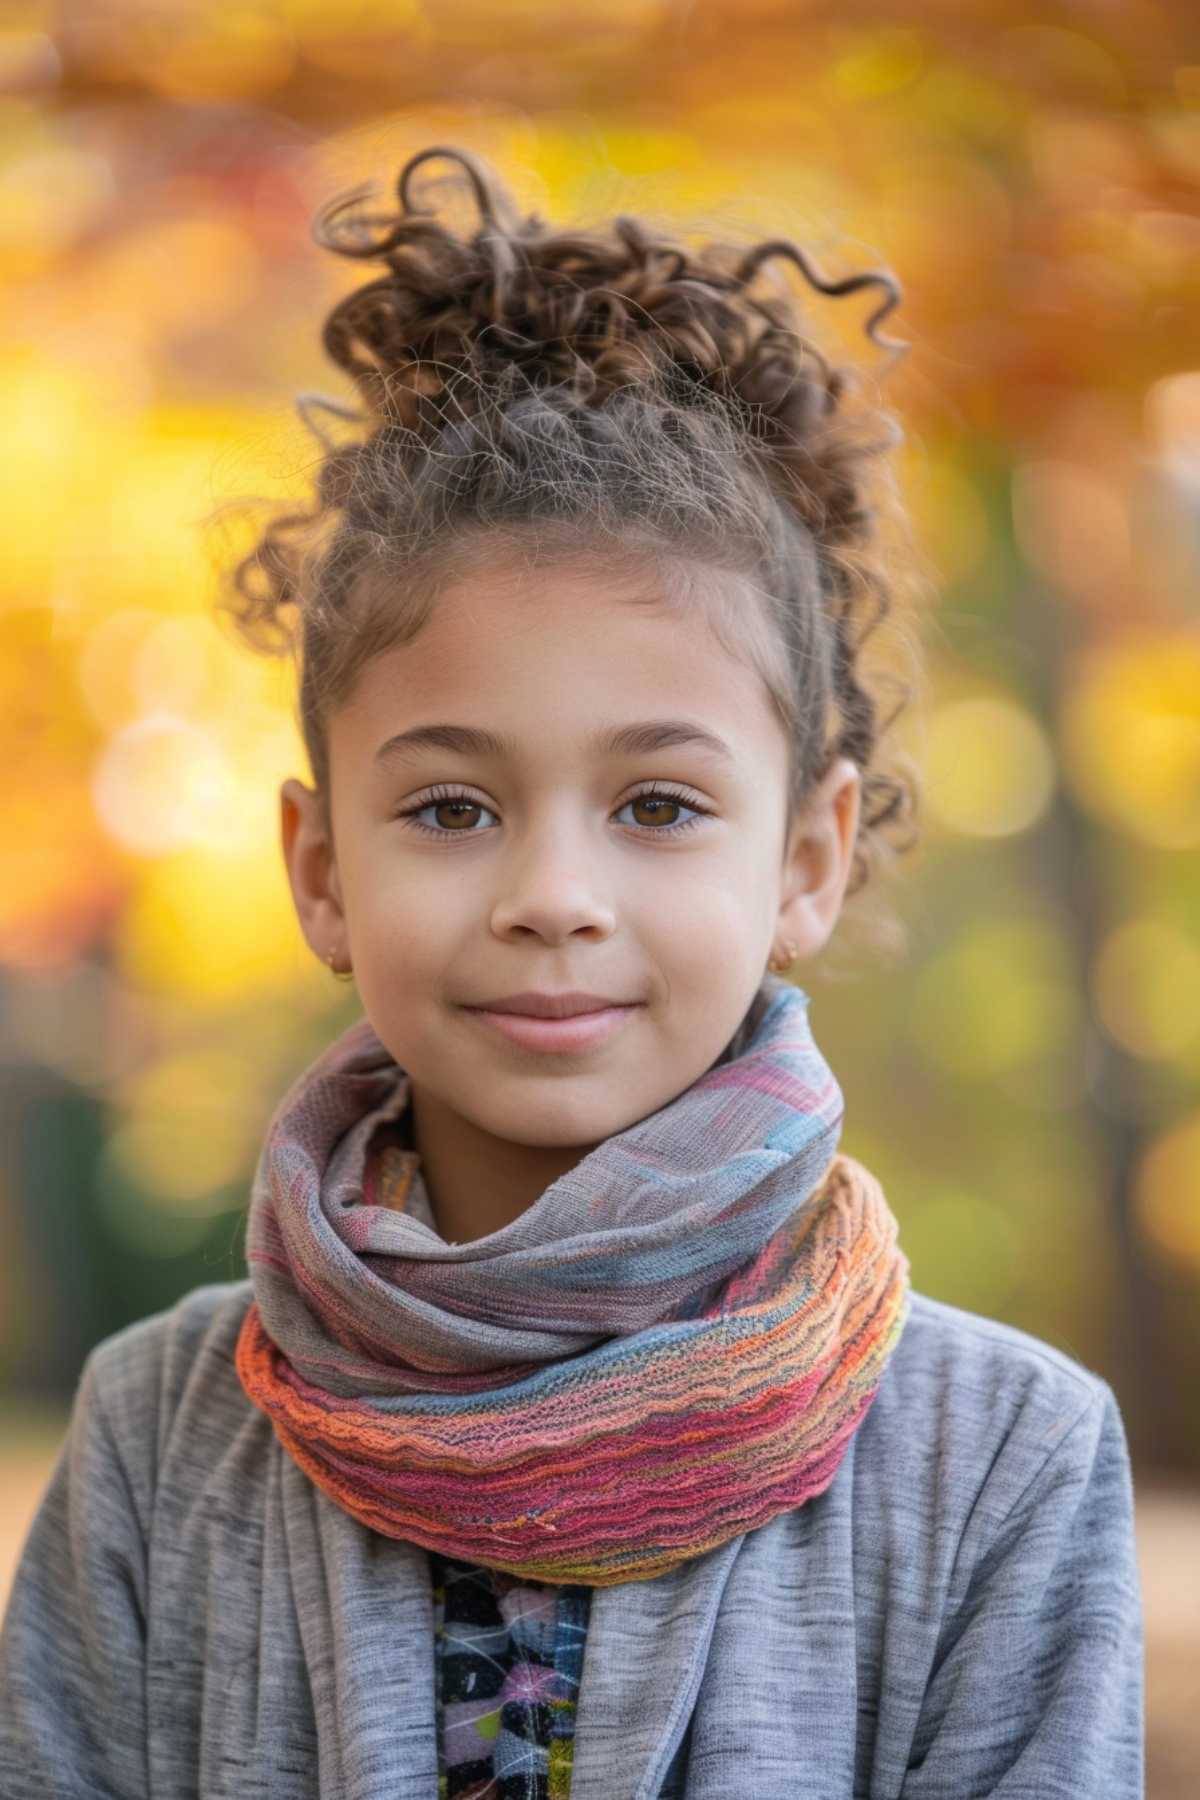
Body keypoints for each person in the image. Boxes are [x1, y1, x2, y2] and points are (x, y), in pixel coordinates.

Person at [0, 145, 1143, 1799]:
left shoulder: (1001, 1458)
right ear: (323, 868)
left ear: (806, 861)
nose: (553, 894)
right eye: (452, 806)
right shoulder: (162, 1431)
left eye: (659, 806)